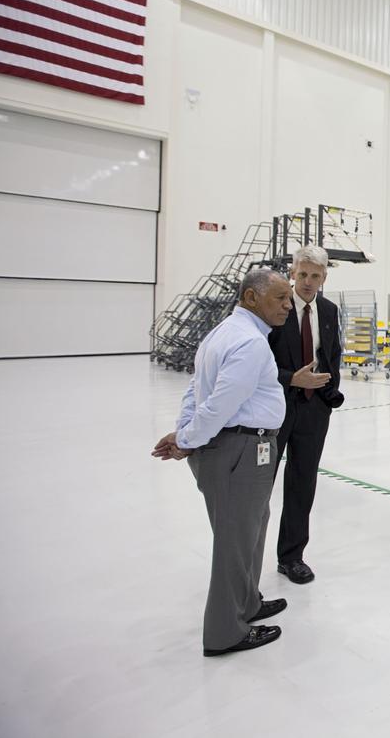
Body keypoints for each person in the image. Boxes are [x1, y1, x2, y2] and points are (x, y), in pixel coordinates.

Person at [152, 268, 292, 656]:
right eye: (280, 298)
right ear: (251, 298)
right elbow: (219, 404)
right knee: (235, 541)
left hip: (238, 450)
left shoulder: (223, 334)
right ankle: (225, 632)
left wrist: (185, 433)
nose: (287, 305)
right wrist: (185, 439)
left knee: (251, 528)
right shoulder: (249, 342)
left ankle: (247, 604)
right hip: (240, 451)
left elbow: (195, 391)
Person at [269, 245, 344, 585]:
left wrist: (329, 393)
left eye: (316, 276)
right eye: (303, 275)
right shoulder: (277, 309)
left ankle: (291, 557)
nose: (308, 282)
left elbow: (332, 353)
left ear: (324, 277)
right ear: (292, 273)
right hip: (277, 407)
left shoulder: (327, 310)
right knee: (260, 485)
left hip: (314, 409)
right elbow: (258, 360)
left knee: (302, 483)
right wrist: (290, 379)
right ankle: (246, 557)